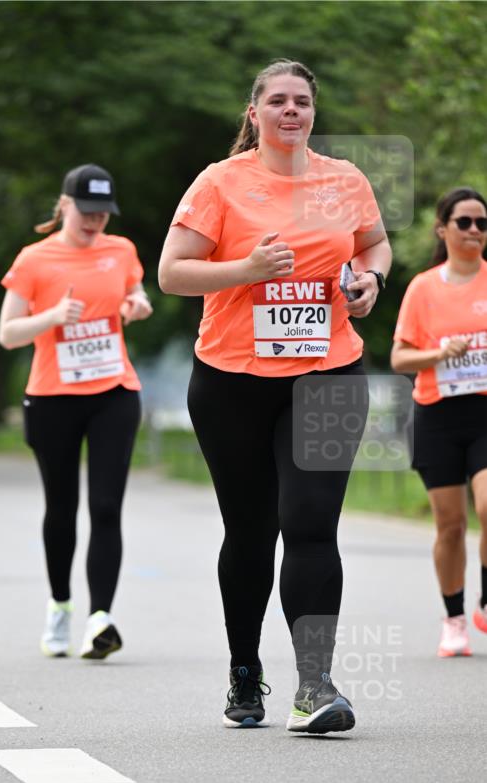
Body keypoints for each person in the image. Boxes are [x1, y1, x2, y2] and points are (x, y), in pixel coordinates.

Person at [159, 59, 391, 732]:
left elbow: (374, 247)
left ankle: (314, 686)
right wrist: (246, 269)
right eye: (278, 102)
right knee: (250, 530)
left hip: (327, 372)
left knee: (312, 524)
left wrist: (369, 281)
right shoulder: (219, 183)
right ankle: (242, 667)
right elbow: (172, 274)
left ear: (312, 113)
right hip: (231, 380)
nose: (291, 111)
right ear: (253, 113)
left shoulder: (343, 180)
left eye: (301, 102)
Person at [0, 164, 152, 659]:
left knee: (106, 507)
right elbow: (8, 333)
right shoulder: (34, 259)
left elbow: (134, 291)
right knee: (61, 508)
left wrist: (137, 304)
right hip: (52, 398)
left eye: (103, 213)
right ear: (64, 205)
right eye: (87, 211)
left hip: (113, 391)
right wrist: (51, 317)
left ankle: (100, 619)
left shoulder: (121, 250)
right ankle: (60, 605)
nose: (95, 221)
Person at [391, 187, 487, 656]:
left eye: (482, 224)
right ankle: (453, 620)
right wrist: (439, 353)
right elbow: (398, 357)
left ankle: (485, 598)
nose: (474, 231)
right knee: (450, 525)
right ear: (442, 228)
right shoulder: (423, 288)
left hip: (485, 412)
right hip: (437, 414)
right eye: (465, 222)